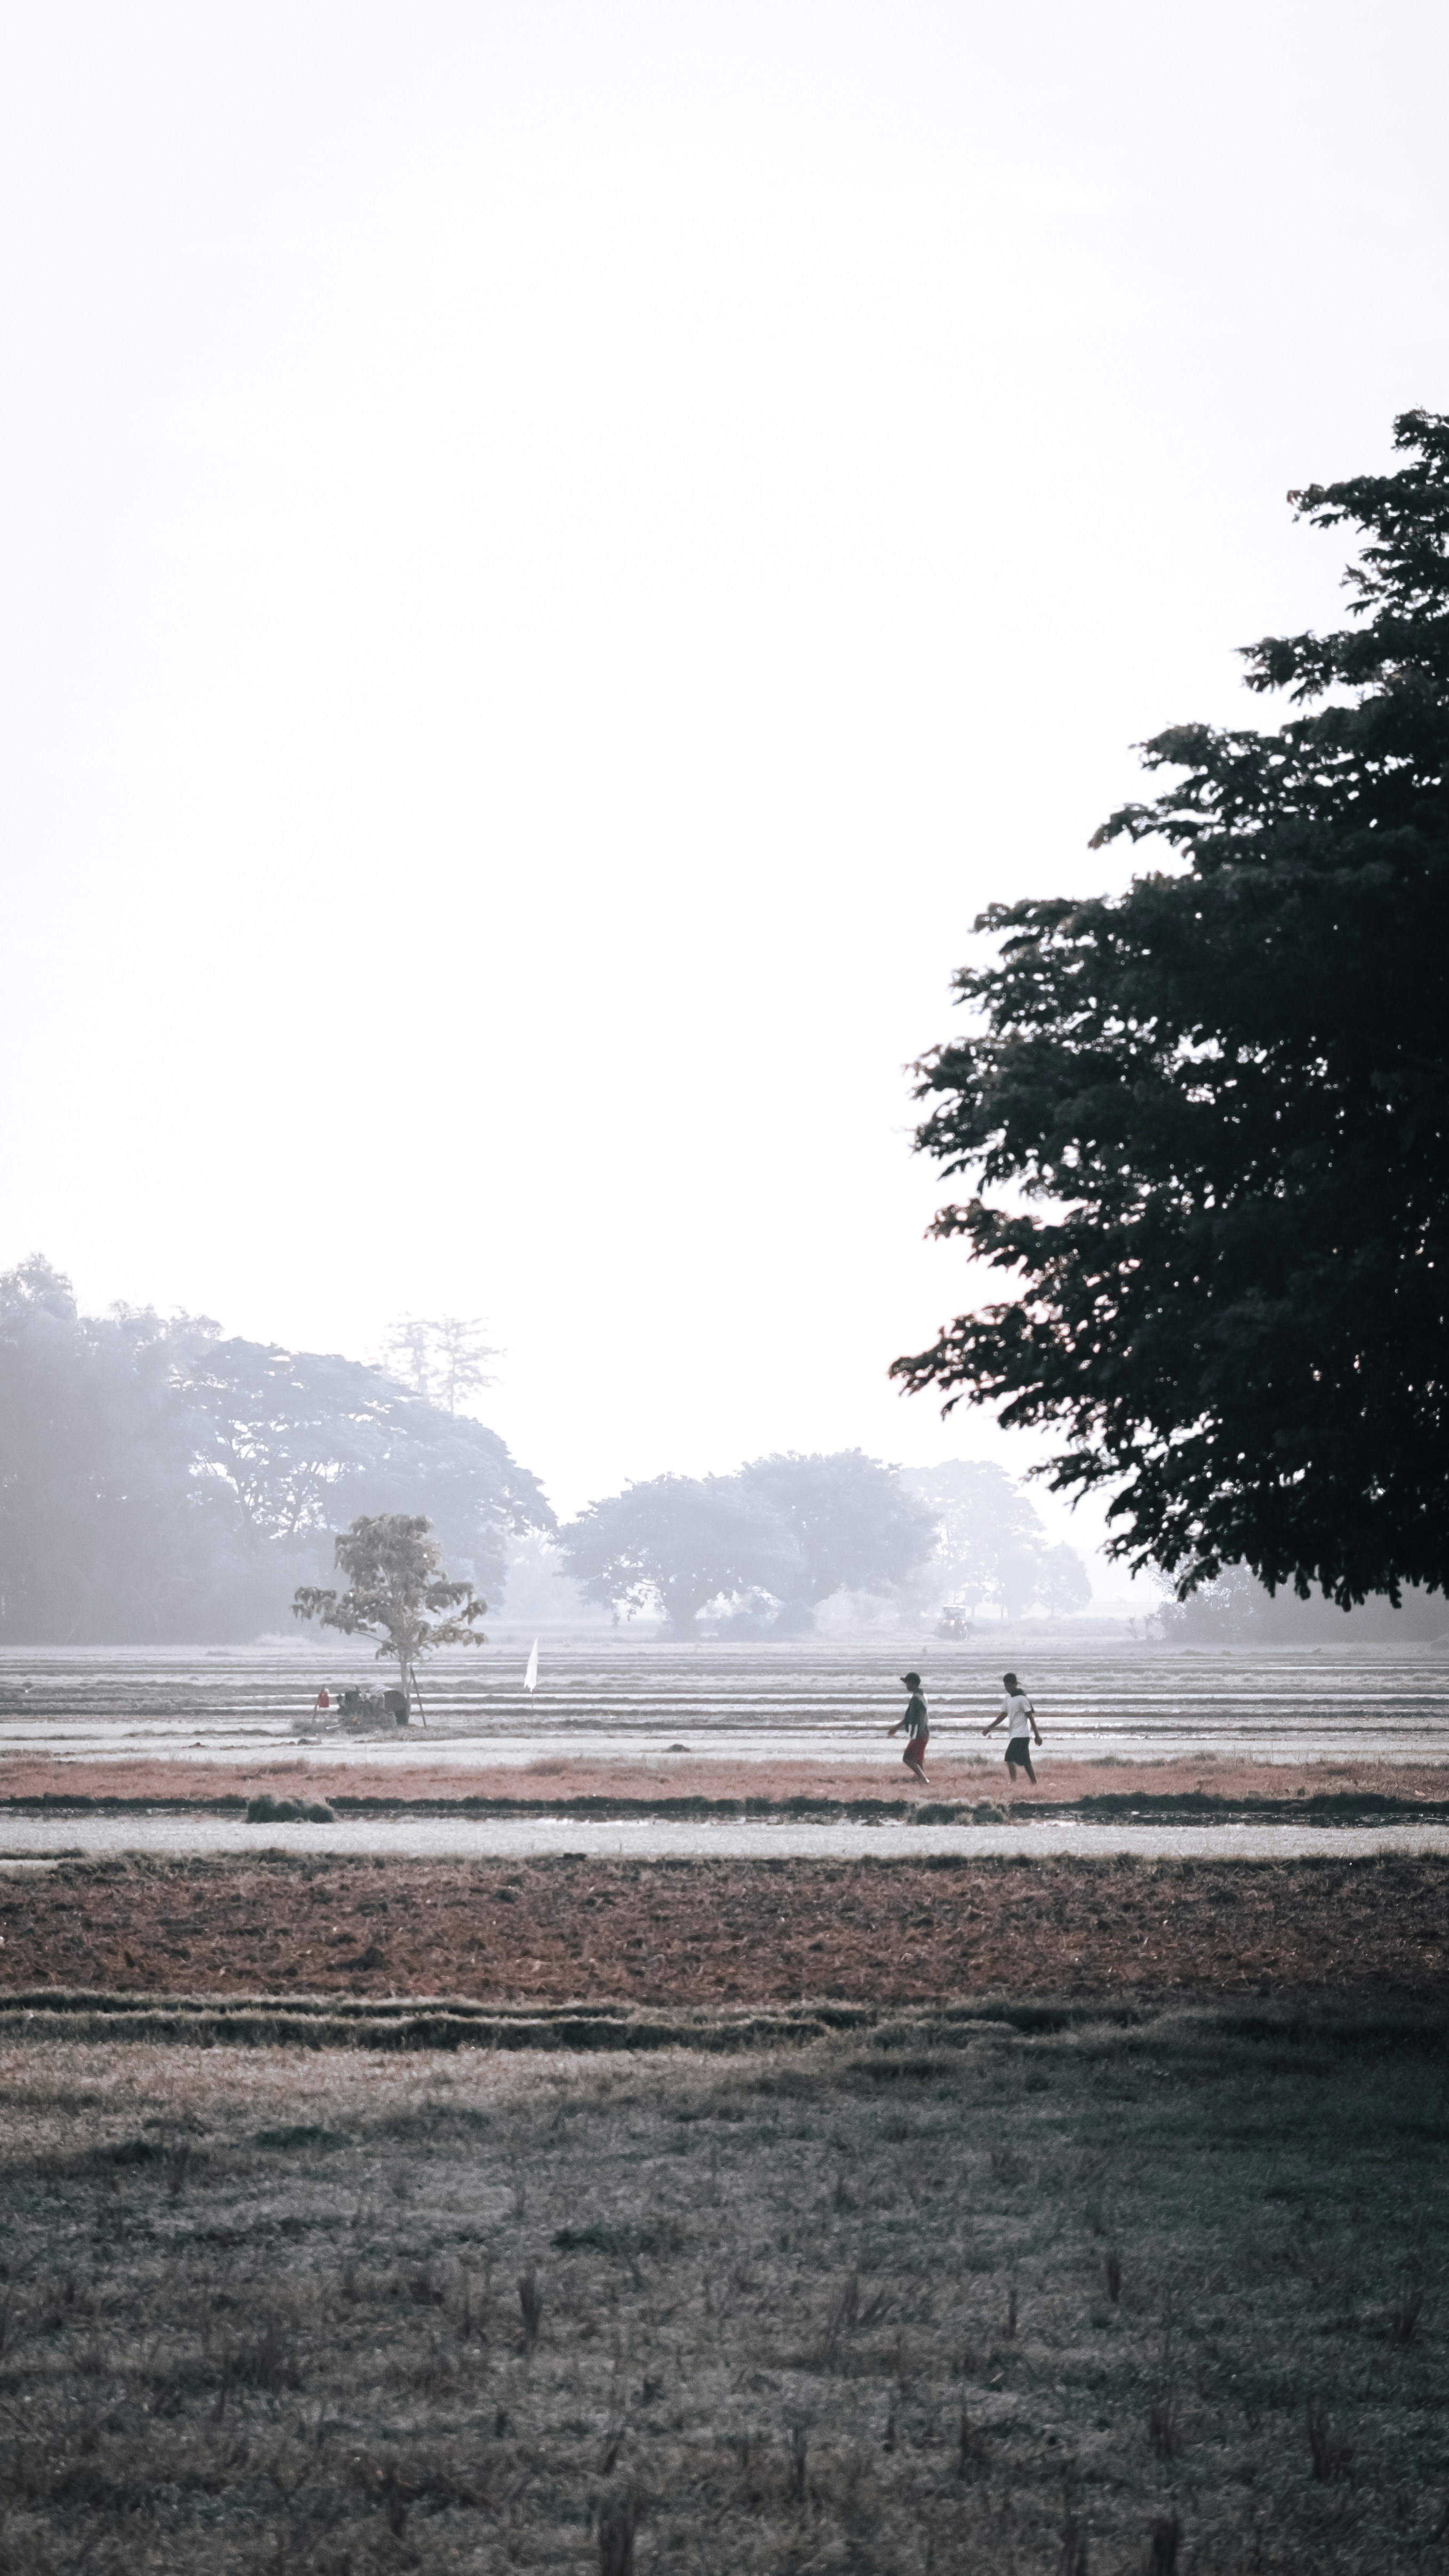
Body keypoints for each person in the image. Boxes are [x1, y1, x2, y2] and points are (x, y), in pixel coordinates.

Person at [982, 1670, 1042, 1784]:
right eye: (1006, 1686)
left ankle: (1013, 1782)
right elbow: (1004, 1714)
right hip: (1015, 1734)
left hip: (1022, 1734)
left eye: (1010, 1685)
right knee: (1026, 1761)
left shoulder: (1022, 1699)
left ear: (1016, 1684)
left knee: (1009, 1757)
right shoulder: (1008, 1698)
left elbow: (1031, 1718)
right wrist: (990, 1727)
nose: (1008, 1688)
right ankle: (1034, 1782)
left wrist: (1037, 1736)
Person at [888, 1671, 931, 1786]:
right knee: (917, 1760)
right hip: (924, 1732)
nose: (906, 1686)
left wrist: (896, 1728)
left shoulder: (916, 1699)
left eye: (907, 1683)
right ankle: (923, 1781)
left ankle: (924, 1780)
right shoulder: (923, 1696)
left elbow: (911, 1718)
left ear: (912, 1683)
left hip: (919, 1733)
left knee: (907, 1758)